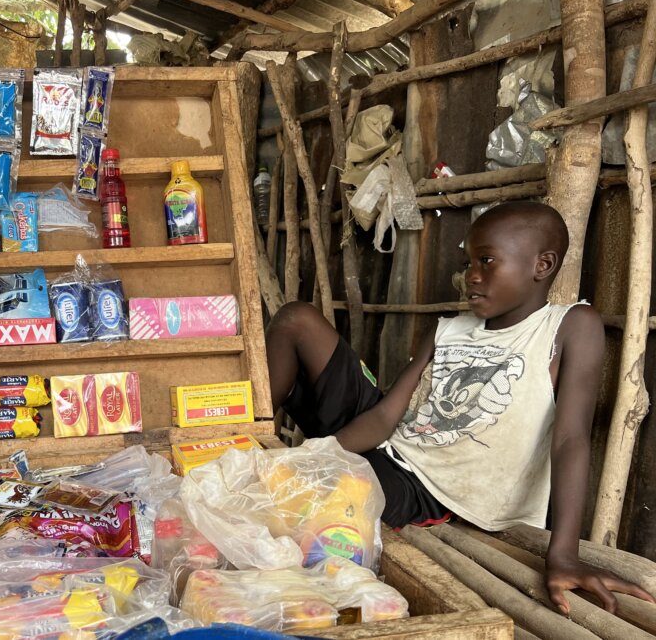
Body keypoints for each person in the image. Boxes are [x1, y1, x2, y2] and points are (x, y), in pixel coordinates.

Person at [266, 201, 655, 614]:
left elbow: (572, 439)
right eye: (469, 261)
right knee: (297, 319)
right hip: (390, 444)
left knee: (320, 494)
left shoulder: (569, 326)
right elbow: (384, 416)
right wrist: (320, 457)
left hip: (429, 488)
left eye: (487, 261)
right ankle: (241, 432)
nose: (471, 275)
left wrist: (562, 554)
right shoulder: (448, 329)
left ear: (541, 266)